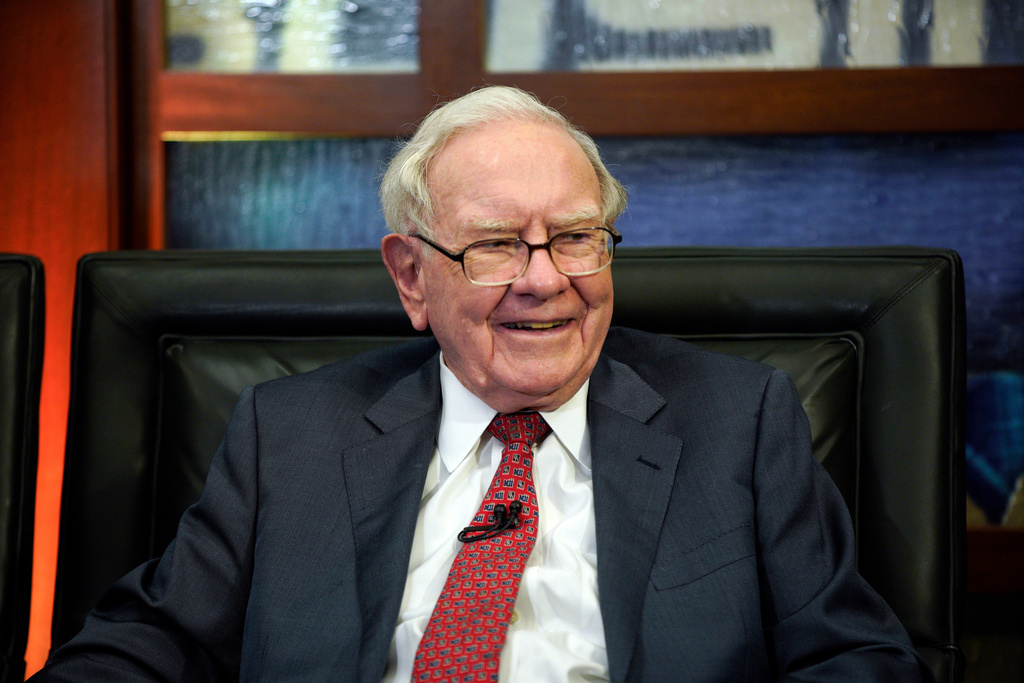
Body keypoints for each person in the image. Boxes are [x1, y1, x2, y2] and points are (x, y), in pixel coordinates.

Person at [32, 86, 932, 682]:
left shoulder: (740, 419)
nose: (545, 278)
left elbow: (857, 657)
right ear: (412, 277)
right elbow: (145, 647)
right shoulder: (291, 434)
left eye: (576, 236)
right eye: (497, 244)